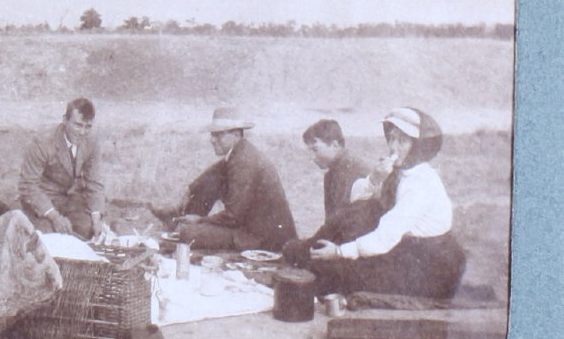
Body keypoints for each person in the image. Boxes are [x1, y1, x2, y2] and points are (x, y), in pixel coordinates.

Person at [308, 107, 466, 299]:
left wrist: (339, 252)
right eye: (391, 138)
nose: (393, 147)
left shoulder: (420, 183)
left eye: (402, 141)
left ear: (417, 147)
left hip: (432, 265)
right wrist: (375, 178)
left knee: (346, 274)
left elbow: (385, 236)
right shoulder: (400, 172)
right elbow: (356, 200)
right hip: (407, 250)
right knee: (362, 219)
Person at [156, 107, 297, 252]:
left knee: (189, 234)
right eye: (212, 135)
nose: (212, 140)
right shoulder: (240, 152)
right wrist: (189, 190)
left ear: (236, 134)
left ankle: (183, 224)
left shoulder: (244, 162)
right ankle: (179, 218)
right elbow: (213, 172)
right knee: (212, 180)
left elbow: (233, 217)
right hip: (253, 229)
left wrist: (201, 220)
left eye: (218, 135)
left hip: (261, 238)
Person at [18, 98, 105, 239]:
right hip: (42, 199)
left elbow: (94, 182)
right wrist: (55, 217)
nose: (82, 132)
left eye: (87, 126)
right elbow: (28, 186)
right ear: (65, 120)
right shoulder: (43, 142)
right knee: (49, 237)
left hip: (69, 200)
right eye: (77, 125)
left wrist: (97, 217)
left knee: (88, 231)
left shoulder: (92, 141)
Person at [302, 119, 371, 220]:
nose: (312, 157)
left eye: (315, 150)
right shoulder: (331, 174)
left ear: (335, 145)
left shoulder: (351, 170)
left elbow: (343, 222)